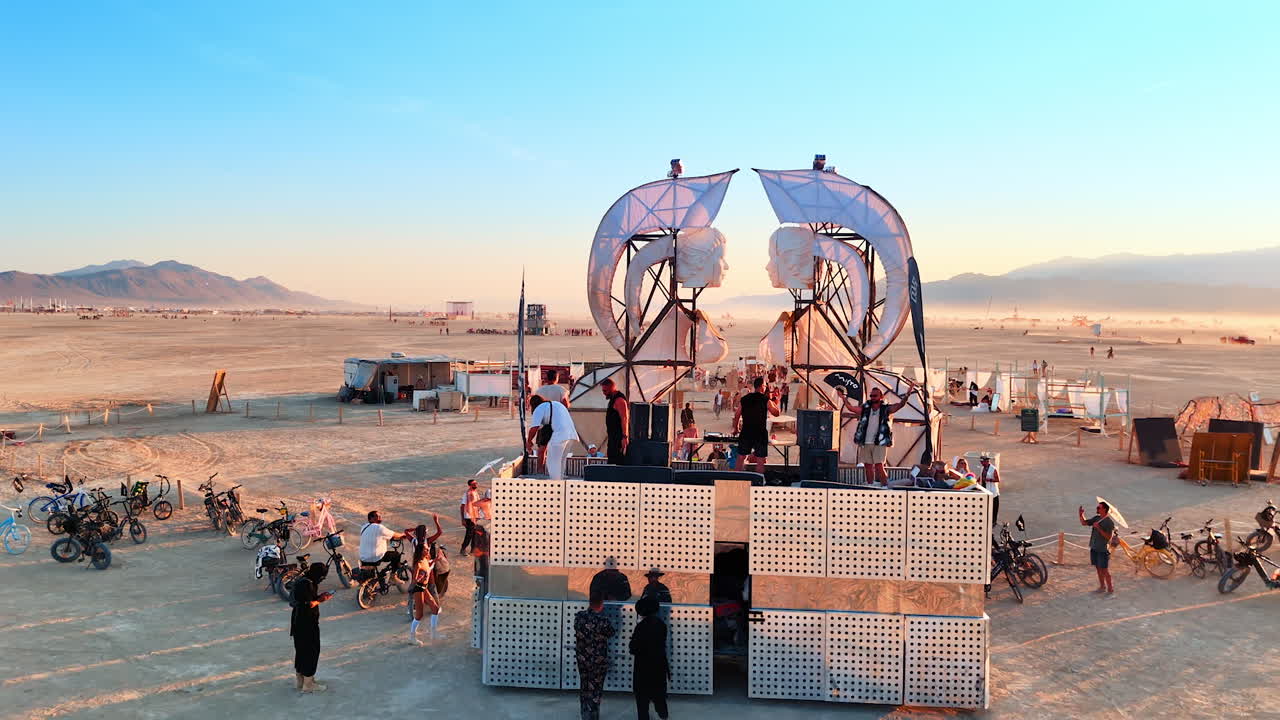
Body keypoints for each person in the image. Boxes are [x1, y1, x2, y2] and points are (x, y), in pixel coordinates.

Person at [848, 383, 915, 485]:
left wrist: (908, 394)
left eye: (875, 395)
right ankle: (870, 485)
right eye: (871, 395)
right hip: (866, 441)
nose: (872, 398)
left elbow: (900, 405)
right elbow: (851, 408)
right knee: (868, 466)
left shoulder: (886, 409)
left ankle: (885, 486)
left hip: (880, 441)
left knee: (879, 465)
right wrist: (843, 398)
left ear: (881, 396)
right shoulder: (866, 408)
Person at [290, 561, 333, 693]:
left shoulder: (302, 580)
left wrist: (318, 597)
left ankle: (301, 681)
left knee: (301, 650)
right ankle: (308, 685)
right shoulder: (307, 584)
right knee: (311, 651)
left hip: (297, 622)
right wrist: (321, 599)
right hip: (307, 622)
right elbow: (308, 604)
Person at [574, 591, 617, 720]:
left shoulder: (579, 617)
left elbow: (577, 628)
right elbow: (611, 633)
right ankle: (593, 714)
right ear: (601, 605)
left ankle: (584, 712)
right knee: (596, 687)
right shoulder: (603, 620)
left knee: (584, 684)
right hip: (598, 660)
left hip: (582, 658)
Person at [630, 595, 671, 720]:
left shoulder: (640, 627)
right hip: (659, 665)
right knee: (659, 695)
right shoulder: (661, 625)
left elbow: (633, 648)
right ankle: (663, 714)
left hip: (642, 668)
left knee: (642, 699)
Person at [733, 377, 781, 474]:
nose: (766, 387)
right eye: (765, 385)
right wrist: (776, 401)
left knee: (741, 457)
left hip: (746, 431)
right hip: (760, 432)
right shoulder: (765, 400)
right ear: (762, 387)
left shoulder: (745, 399)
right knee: (760, 460)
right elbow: (776, 413)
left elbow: (737, 415)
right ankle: (758, 483)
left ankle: (737, 479)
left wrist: (736, 428)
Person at [408, 518, 443, 644]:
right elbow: (414, 580)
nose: (428, 550)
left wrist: (436, 559)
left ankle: (434, 634)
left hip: (424, 588)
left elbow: (430, 565)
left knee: (435, 608)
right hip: (419, 588)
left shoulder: (425, 560)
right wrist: (420, 578)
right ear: (421, 551)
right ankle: (412, 637)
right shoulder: (418, 564)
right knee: (419, 615)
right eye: (426, 550)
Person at [527, 395, 578, 480]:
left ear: (533, 404)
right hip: (571, 434)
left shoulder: (539, 409)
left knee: (552, 462)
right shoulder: (555, 404)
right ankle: (560, 483)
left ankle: (555, 485)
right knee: (561, 461)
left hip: (560, 435)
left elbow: (534, 428)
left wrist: (528, 441)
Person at [1079, 501, 1116, 594]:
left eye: (1099, 508)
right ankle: (1102, 586)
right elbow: (1084, 523)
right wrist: (1081, 514)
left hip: (1103, 549)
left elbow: (1109, 537)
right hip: (1094, 547)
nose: (1097, 509)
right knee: (1098, 568)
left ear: (1104, 509)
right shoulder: (1097, 518)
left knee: (1104, 570)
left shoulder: (1109, 522)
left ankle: (1110, 588)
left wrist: (1099, 528)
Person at [601, 377, 630, 465]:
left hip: (618, 438)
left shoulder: (619, 400)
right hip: (613, 437)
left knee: (617, 462)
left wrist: (625, 437)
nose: (604, 393)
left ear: (611, 387)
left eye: (605, 391)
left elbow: (624, 418)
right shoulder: (612, 400)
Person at [459, 479, 480, 556]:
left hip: (474, 516)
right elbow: (462, 507)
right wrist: (463, 519)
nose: (476, 484)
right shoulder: (466, 494)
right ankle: (463, 549)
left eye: (476, 483)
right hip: (468, 517)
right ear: (470, 485)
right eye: (473, 484)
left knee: (474, 534)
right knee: (469, 534)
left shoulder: (476, 493)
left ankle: (473, 549)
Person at [978, 455, 1000, 522]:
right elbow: (981, 476)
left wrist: (989, 480)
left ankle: (994, 521)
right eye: (981, 462)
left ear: (987, 461)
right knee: (986, 506)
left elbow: (998, 479)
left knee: (994, 508)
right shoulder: (983, 468)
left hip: (992, 491)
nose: (981, 463)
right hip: (985, 489)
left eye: (982, 462)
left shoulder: (993, 469)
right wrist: (977, 480)